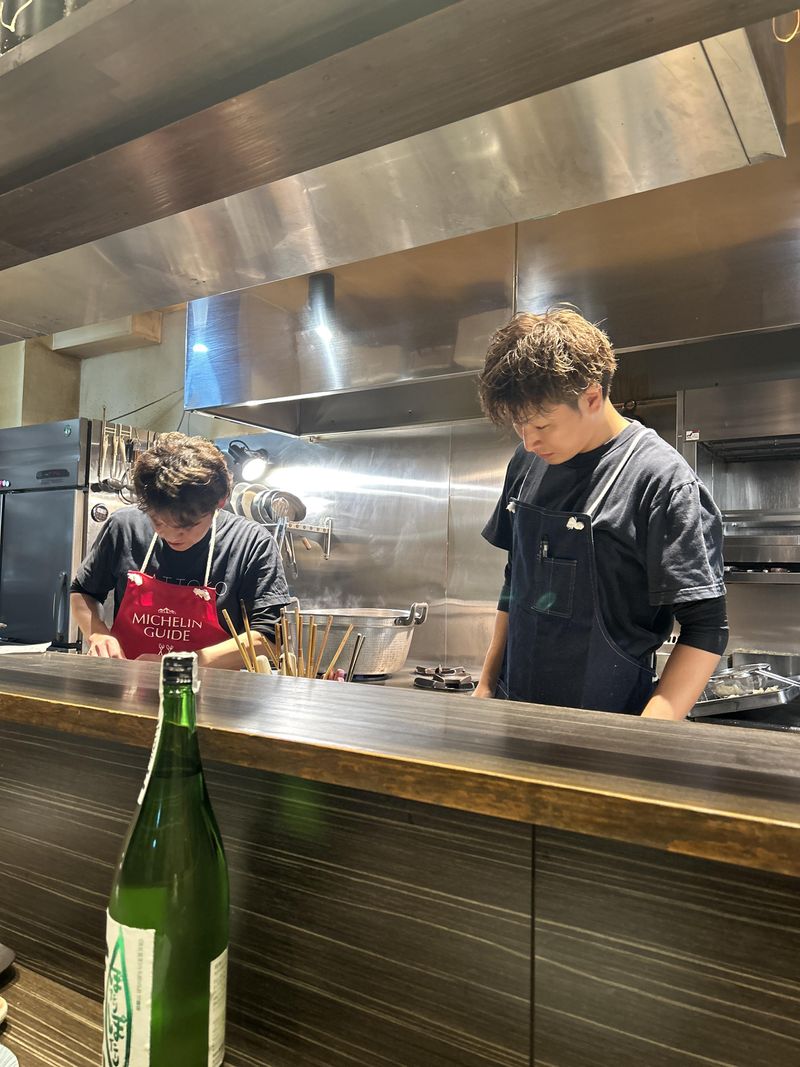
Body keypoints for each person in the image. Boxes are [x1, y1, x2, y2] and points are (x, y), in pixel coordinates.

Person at [474, 309, 727, 720]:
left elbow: (707, 628)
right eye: (520, 426)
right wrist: (486, 685)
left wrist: (644, 736)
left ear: (591, 397)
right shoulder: (527, 462)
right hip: (514, 715)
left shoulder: (661, 481)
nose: (529, 441)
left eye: (541, 425)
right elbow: (515, 578)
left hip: (610, 727)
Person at [71, 432, 291, 669]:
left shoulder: (251, 543)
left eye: (188, 526)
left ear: (220, 501)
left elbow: (269, 638)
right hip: (128, 683)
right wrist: (98, 634)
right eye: (157, 521)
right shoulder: (124, 526)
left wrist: (182, 664)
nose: (171, 535)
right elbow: (83, 592)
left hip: (213, 689)